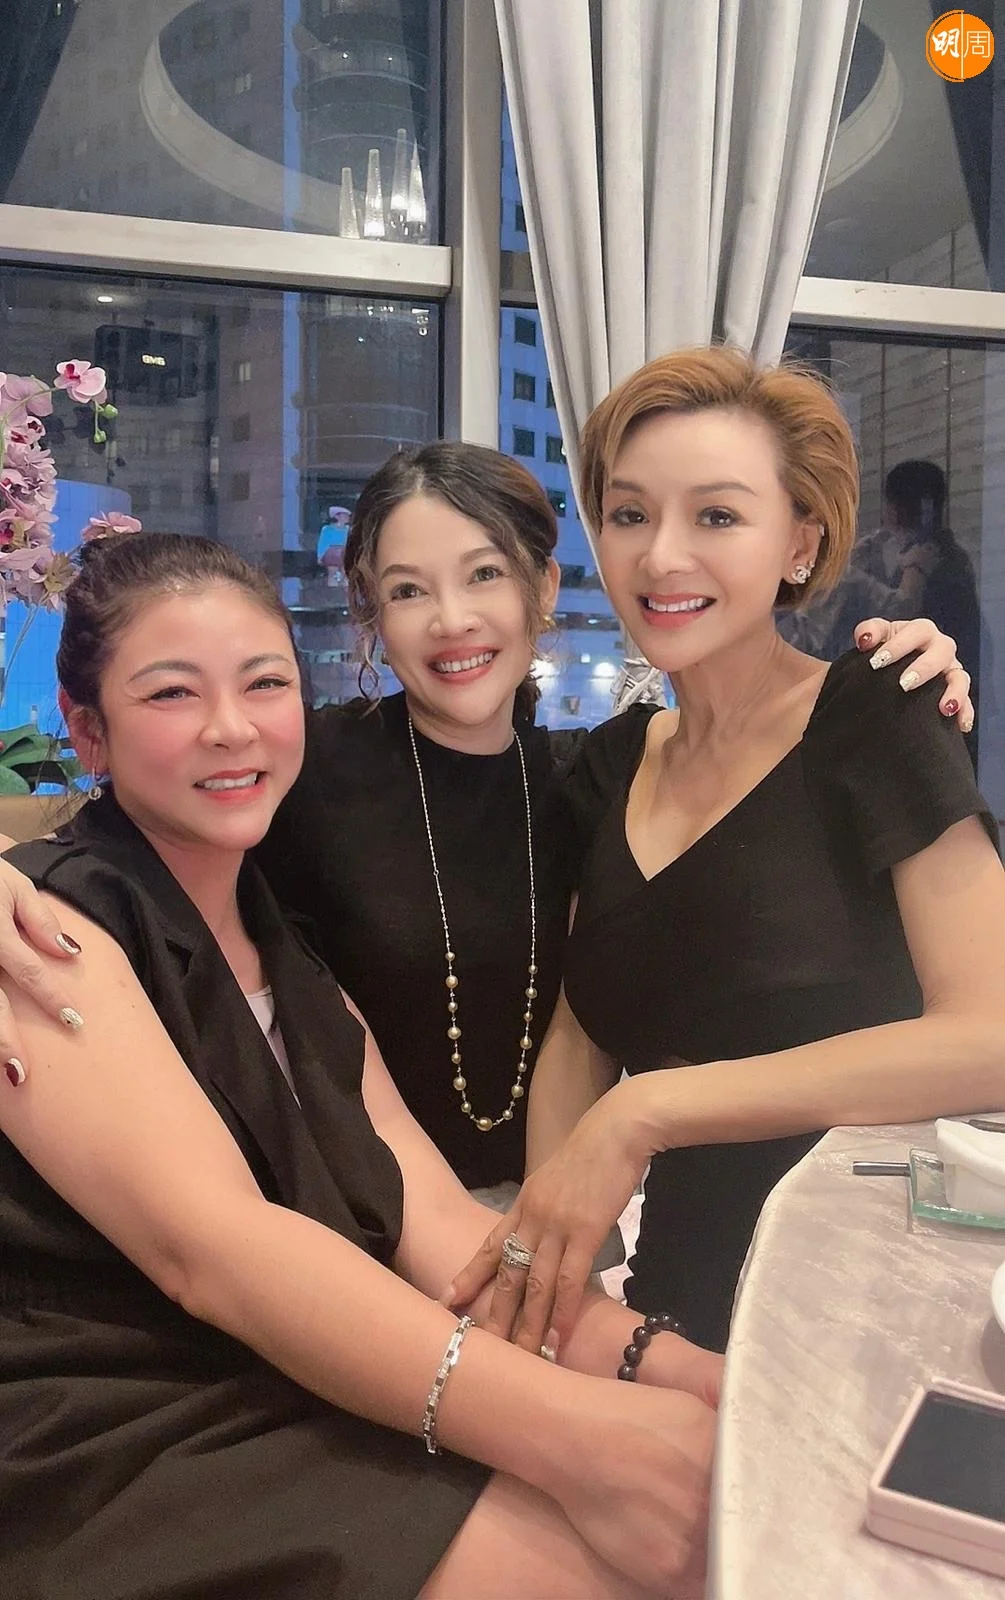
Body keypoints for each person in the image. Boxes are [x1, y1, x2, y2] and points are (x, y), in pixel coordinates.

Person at [0, 530, 724, 1600]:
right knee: (617, 1562)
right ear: (86, 730)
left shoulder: (289, 961)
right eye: (171, 694)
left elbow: (451, 1236)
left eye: (264, 682)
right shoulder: (45, 931)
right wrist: (580, 1432)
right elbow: (216, 1249)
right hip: (103, 1431)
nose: (231, 726)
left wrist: (677, 1368)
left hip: (272, 1372)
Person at [0, 445, 974, 1210]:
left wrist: (898, 663)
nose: (451, 620)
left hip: (559, 1209)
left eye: (483, 576)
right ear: (372, 613)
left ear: (541, 590)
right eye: (408, 590)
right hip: (344, 1213)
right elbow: (116, 831)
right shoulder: (299, 761)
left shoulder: (600, 773)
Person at [447, 347, 1005, 1356]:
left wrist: (649, 1110)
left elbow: (991, 1037)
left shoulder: (879, 713)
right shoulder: (610, 764)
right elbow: (579, 1033)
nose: (661, 556)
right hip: (671, 1307)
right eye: (629, 514)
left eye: (715, 516)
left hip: (868, 1303)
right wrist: (561, 1281)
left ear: (800, 540)